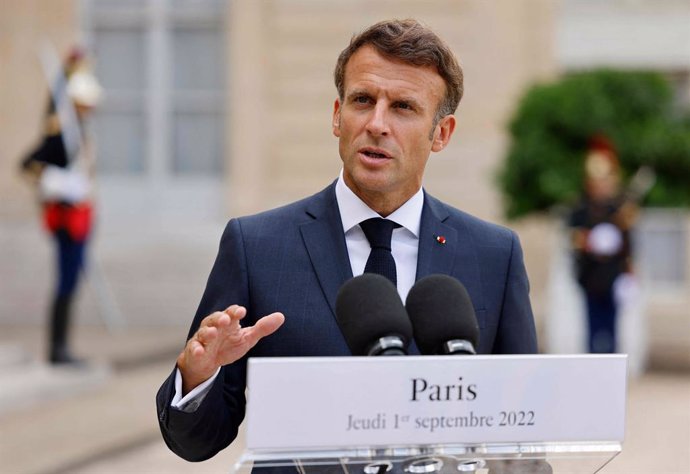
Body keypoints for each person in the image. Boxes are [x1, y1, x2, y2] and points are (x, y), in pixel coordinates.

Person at [156, 19, 537, 464]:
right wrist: (198, 375)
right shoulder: (256, 246)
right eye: (362, 100)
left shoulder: (494, 255)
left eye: (403, 107)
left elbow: (523, 430)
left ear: (442, 133)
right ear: (337, 116)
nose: (377, 123)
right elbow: (197, 442)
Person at [20, 47, 102, 364]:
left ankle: (62, 346)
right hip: (66, 216)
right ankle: (57, 348)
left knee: (72, 280)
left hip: (81, 214)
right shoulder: (59, 134)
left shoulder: (77, 132)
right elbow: (28, 164)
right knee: (66, 281)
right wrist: (57, 181)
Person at [569, 136, 637, 353]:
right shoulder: (581, 210)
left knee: (612, 330)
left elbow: (628, 245)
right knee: (592, 330)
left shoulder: (619, 210)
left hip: (613, 275)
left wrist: (629, 271)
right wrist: (591, 241)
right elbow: (574, 239)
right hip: (590, 276)